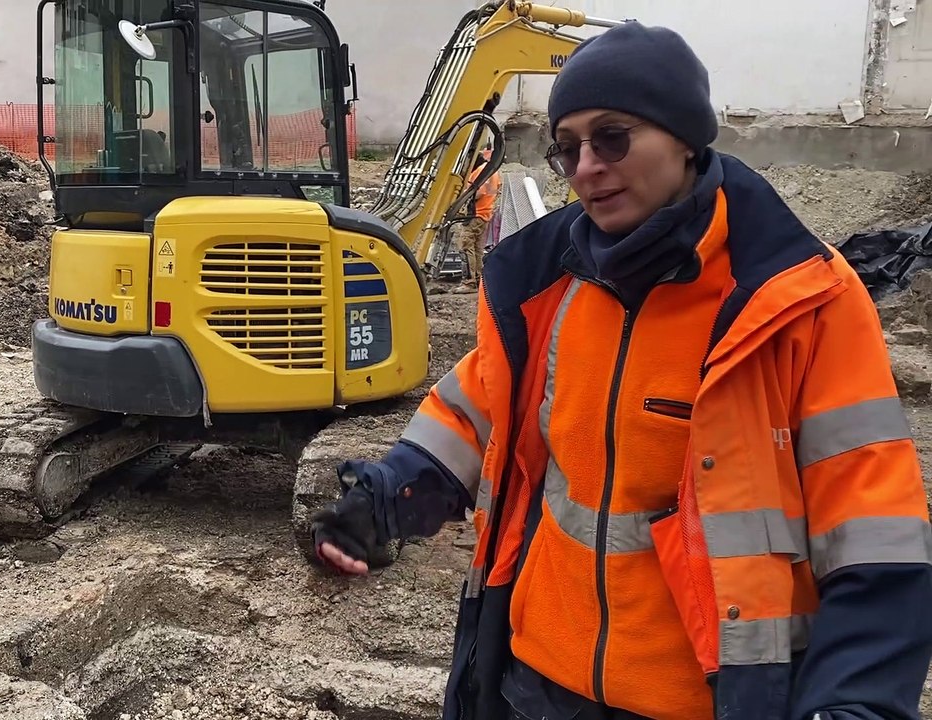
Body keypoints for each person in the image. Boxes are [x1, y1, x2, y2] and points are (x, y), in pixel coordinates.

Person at [308, 20, 932, 720]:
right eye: (566, 148)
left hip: (699, 699)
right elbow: (477, 408)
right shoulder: (546, 284)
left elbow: (873, 525)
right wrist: (384, 501)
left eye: (612, 138)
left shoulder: (800, 300)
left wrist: (857, 702)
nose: (585, 167)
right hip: (536, 683)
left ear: (687, 138)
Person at [455, 151, 500, 288]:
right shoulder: (494, 172)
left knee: (465, 246)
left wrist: (462, 197)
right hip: (485, 214)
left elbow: (479, 193)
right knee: (477, 249)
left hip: (475, 214)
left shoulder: (481, 171)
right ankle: (480, 280)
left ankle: (469, 282)